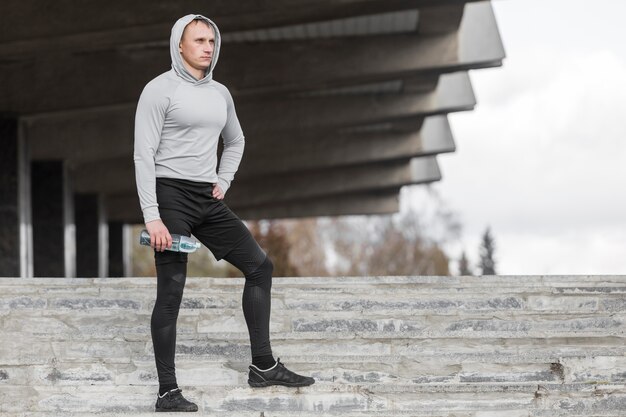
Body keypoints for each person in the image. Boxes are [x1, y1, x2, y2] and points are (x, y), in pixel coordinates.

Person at [133, 14, 315, 413]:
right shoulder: (158, 91)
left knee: (259, 266)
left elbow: (236, 139)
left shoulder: (220, 93)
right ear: (178, 45)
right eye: (198, 40)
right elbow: (143, 155)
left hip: (206, 198)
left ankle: (263, 366)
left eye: (211, 41)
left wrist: (224, 180)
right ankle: (167, 391)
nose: (207, 47)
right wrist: (153, 215)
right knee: (171, 290)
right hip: (170, 196)